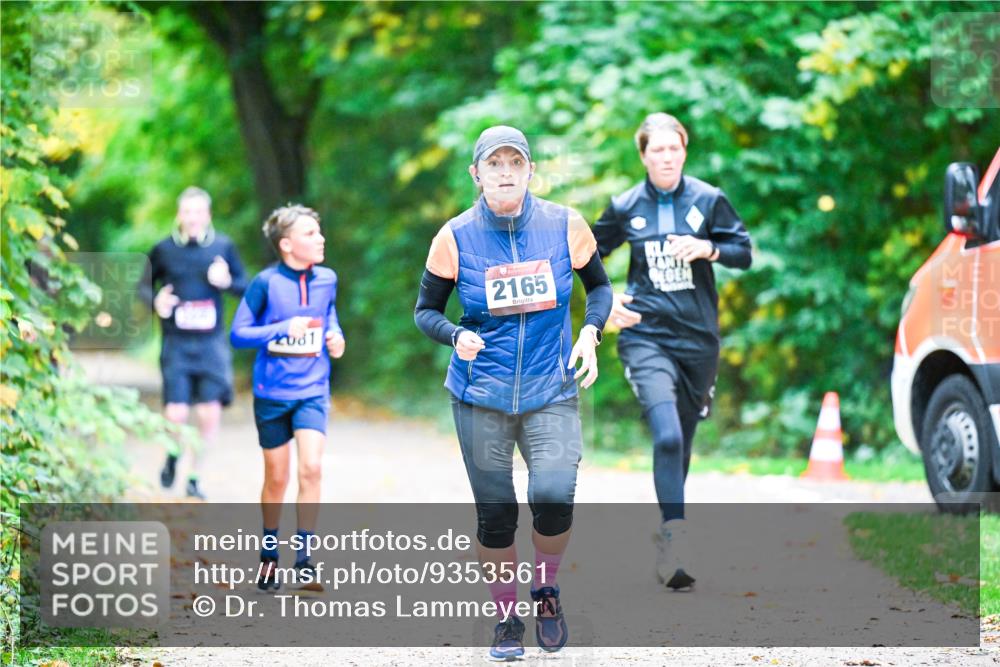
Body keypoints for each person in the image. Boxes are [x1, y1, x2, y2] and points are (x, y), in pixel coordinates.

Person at [415, 126, 612, 659]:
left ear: (530, 172)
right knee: (497, 517)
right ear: (476, 174)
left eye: (515, 163)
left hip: (551, 387)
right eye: (494, 164)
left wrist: (591, 332)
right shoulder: (453, 237)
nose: (505, 172)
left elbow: (601, 288)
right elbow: (425, 312)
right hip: (481, 394)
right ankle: (506, 616)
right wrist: (457, 335)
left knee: (553, 498)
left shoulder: (565, 224)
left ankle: (545, 589)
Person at [594, 113, 752, 590]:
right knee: (665, 436)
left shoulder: (708, 199)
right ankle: (677, 536)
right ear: (642, 156)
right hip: (645, 334)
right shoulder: (625, 206)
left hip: (698, 339)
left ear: (684, 151)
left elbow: (743, 251)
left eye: (674, 149)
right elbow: (586, 258)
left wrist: (708, 250)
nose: (666, 157)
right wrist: (608, 300)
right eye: (656, 150)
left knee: (681, 438)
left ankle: (669, 529)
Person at [230, 204, 346, 591]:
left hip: (312, 388)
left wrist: (336, 335)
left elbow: (328, 314)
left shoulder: (327, 279)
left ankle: (305, 556)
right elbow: (239, 333)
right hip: (272, 393)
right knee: (277, 477)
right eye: (310, 234)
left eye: (319, 231)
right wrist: (280, 328)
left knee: (311, 468)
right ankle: (268, 551)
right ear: (286, 244)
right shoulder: (265, 283)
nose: (321, 238)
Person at [138, 186, 247, 500]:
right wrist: (155, 300)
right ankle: (173, 454)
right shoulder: (163, 250)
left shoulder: (223, 247)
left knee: (209, 415)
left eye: (199, 212)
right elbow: (142, 285)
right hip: (177, 344)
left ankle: (195, 478)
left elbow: (245, 286)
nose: (193, 218)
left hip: (211, 345)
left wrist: (226, 281)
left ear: (208, 215)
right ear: (179, 215)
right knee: (175, 414)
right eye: (187, 212)